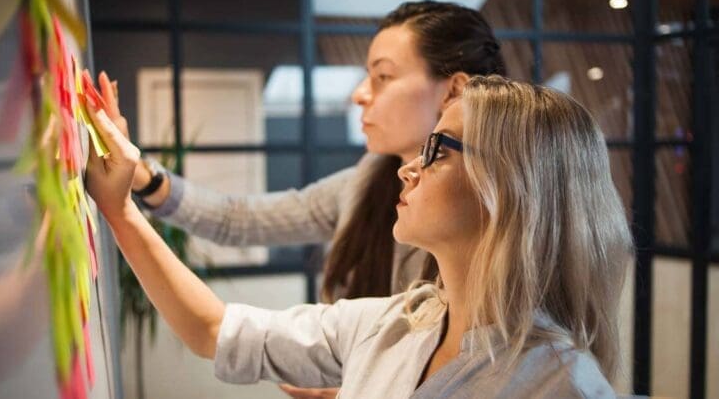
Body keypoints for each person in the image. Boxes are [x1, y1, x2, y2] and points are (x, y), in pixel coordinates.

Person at [82, 75, 633, 398]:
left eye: (437, 151)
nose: (407, 169)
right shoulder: (389, 325)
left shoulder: (561, 386)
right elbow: (213, 330)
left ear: (513, 187)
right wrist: (122, 210)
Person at [98, 1, 506, 305]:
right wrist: (144, 177)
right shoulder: (371, 178)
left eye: (382, 77)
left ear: (453, 90)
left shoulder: (498, 218)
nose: (359, 94)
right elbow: (241, 219)